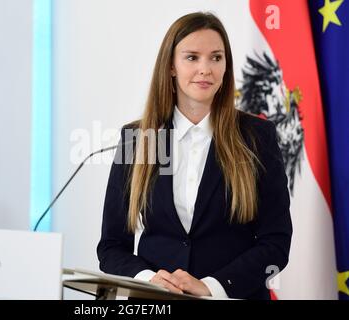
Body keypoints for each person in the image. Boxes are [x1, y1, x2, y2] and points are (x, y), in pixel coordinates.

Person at [97, 12, 292, 300]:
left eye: (216, 58)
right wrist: (149, 280)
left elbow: (275, 242)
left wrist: (212, 286)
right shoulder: (138, 139)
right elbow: (111, 247)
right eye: (192, 57)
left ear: (226, 66)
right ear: (171, 66)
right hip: (155, 302)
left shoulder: (256, 136)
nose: (206, 69)